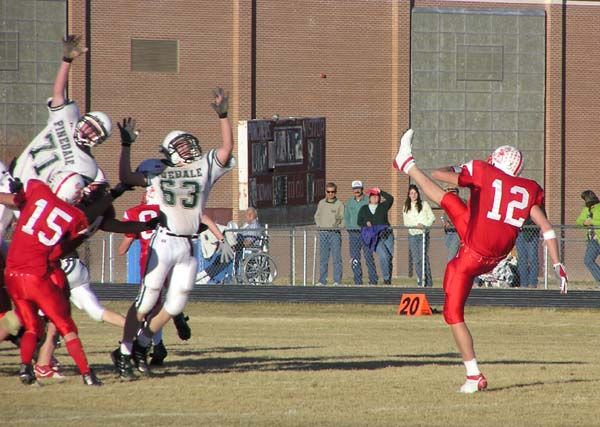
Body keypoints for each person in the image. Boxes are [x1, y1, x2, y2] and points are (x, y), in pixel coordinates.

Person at [394, 129, 568, 393]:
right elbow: (547, 228)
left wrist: (463, 169)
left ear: (495, 161)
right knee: (451, 202)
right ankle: (405, 162)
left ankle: (473, 374)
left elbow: (440, 174)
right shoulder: (528, 189)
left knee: (453, 314)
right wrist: (557, 264)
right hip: (493, 254)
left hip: (472, 254)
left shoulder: (484, 172)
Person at [111, 86, 235, 379]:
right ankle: (124, 351)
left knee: (176, 303)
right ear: (169, 152)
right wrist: (126, 146)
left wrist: (223, 116)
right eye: (180, 145)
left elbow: (227, 148)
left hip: (189, 245)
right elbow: (126, 177)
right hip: (164, 242)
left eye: (188, 143)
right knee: (146, 302)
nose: (189, 147)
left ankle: (142, 344)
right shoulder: (158, 172)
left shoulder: (204, 166)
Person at [0, 171, 103, 386]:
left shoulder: (38, 189)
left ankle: (25, 368)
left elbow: (19, 201)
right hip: (37, 275)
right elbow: (60, 251)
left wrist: (18, 191)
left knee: (30, 327)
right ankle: (87, 374)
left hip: (11, 273)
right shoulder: (76, 216)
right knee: (65, 325)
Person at [117, 187, 193, 367]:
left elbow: (123, 248)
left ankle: (154, 346)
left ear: (145, 197)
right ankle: (174, 320)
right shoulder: (169, 210)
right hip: (174, 256)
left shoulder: (134, 212)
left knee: (149, 306)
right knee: (167, 301)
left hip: (151, 259)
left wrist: (134, 237)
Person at [357, 188, 395, 285]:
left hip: (387, 235)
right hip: (375, 237)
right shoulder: (364, 208)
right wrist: (366, 222)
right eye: (373, 196)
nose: (375, 197)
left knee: (389, 257)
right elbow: (359, 221)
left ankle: (388, 279)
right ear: (369, 198)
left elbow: (390, 198)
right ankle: (386, 279)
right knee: (384, 256)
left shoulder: (383, 206)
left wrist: (380, 191)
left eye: (377, 196)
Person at [344, 180, 378, 285]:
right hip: (353, 233)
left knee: (368, 256)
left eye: (358, 188)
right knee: (355, 258)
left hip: (366, 232)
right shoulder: (349, 202)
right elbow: (347, 217)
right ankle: (357, 281)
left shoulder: (368, 200)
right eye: (354, 188)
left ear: (362, 189)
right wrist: (349, 227)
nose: (356, 190)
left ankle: (373, 280)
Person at [403, 184, 435, 287]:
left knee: (423, 258)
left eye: (415, 193)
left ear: (418, 194)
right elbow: (405, 222)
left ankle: (428, 282)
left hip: (423, 235)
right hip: (413, 235)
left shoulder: (424, 204)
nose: (413, 195)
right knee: (416, 260)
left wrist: (424, 226)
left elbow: (432, 218)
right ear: (408, 194)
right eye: (411, 193)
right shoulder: (406, 206)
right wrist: (415, 225)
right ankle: (421, 281)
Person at [314, 182, 344, 286]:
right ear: (326, 192)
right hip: (323, 233)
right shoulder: (321, 203)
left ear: (336, 192)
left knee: (336, 258)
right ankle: (322, 280)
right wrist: (319, 225)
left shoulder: (339, 204)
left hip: (334, 234)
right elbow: (317, 216)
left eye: (333, 192)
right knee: (323, 258)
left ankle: (337, 280)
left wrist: (338, 227)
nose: (330, 194)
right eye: (328, 192)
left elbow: (343, 219)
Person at [576, 190, 600, 283]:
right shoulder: (586, 209)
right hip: (593, 240)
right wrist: (584, 222)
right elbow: (578, 221)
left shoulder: (598, 208)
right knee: (588, 260)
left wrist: (592, 222)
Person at [232, 207, 263, 276]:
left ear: (251, 215)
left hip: (249, 249)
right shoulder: (249, 225)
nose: (246, 217)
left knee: (229, 254)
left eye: (247, 215)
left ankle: (236, 274)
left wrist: (236, 246)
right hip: (242, 247)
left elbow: (248, 242)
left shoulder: (254, 226)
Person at [515, 215, 540, 288]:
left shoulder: (536, 205)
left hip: (532, 231)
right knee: (522, 259)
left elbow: (542, 217)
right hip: (520, 231)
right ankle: (523, 283)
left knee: (533, 258)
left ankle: (533, 283)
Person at [440, 187, 460, 261]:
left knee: (450, 257)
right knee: (454, 255)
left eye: (454, 191)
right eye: (449, 192)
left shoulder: (462, 203)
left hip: (457, 233)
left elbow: (462, 217)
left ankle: (452, 271)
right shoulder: (447, 204)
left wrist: (451, 223)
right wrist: (445, 222)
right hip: (448, 233)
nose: (452, 193)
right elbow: (443, 217)